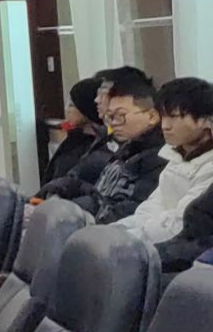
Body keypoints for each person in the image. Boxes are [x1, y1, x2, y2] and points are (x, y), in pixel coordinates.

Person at [54, 75, 168, 223]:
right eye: (109, 117)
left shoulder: (158, 157)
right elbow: (97, 194)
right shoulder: (125, 148)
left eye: (120, 115)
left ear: (152, 116)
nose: (113, 123)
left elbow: (134, 209)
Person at [117, 78, 213, 251]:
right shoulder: (176, 155)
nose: (165, 126)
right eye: (163, 116)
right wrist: (117, 231)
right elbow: (153, 206)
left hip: (179, 251)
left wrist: (125, 241)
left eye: (174, 117)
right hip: (150, 243)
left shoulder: (209, 165)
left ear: (206, 120)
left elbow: (181, 222)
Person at [43, 76, 107, 187]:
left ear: (87, 108)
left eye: (72, 105)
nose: (67, 110)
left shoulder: (99, 148)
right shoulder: (74, 139)